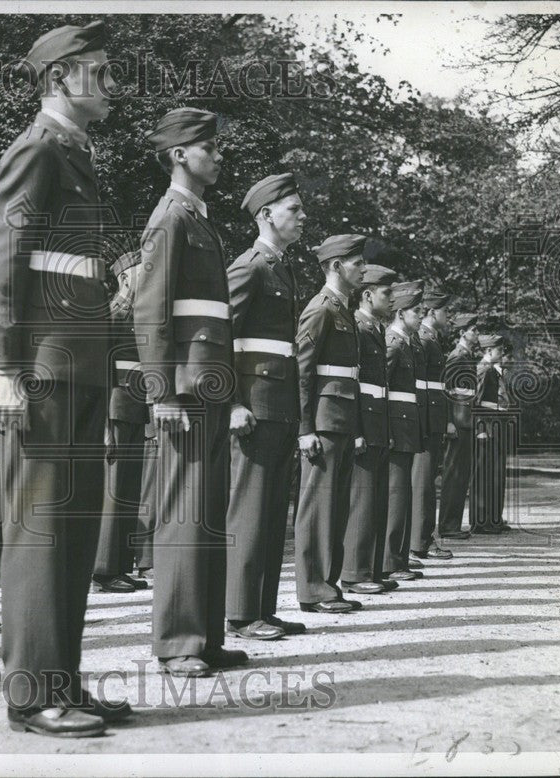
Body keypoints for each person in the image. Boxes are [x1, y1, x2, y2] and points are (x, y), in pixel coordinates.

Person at [0, 21, 128, 738]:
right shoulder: (37, 151)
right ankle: (33, 694)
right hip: (40, 369)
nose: (110, 83)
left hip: (79, 363)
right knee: (39, 530)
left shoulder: (74, 152)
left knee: (71, 529)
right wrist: (2, 369)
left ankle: (63, 680)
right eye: (97, 71)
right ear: (60, 77)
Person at [136, 107, 247, 678]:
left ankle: (204, 635)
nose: (219, 155)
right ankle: (178, 642)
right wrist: (161, 392)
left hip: (207, 385)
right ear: (180, 155)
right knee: (183, 514)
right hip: (182, 391)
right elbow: (149, 308)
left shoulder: (199, 220)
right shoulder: (170, 219)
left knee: (206, 514)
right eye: (210, 147)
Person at [224, 172, 307, 641]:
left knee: (274, 513)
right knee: (250, 510)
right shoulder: (249, 266)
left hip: (278, 406)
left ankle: (261, 607)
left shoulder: (282, 266)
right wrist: (231, 402)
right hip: (254, 406)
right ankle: (239, 612)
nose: (302, 217)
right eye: (293, 209)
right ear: (265, 215)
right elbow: (221, 338)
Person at [293, 234, 367, 614]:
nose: (363, 269)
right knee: (318, 508)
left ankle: (327, 585)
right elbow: (303, 371)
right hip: (322, 423)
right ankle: (313, 588)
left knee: (335, 507)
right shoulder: (321, 309)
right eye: (357, 263)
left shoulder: (343, 310)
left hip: (340, 420)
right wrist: (305, 428)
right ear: (336, 266)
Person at [340, 261, 400, 596]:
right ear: (366, 295)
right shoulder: (358, 329)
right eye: (386, 293)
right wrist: (358, 430)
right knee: (361, 501)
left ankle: (371, 570)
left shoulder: (374, 329)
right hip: (364, 425)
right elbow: (355, 385)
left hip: (379, 425)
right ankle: (353, 573)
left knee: (375, 500)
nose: (392, 299)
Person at [94, 251, 151, 594]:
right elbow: (98, 372)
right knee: (113, 492)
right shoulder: (112, 313)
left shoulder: (140, 316)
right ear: (126, 277)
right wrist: (101, 424)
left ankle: (118, 565)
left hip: (133, 409)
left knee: (128, 491)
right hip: (114, 411)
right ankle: (102, 569)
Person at [382, 280, 425, 582]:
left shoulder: (405, 345)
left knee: (403, 494)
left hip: (406, 426)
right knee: (395, 494)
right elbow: (379, 391)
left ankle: (397, 558)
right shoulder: (393, 345)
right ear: (400, 314)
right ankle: (389, 559)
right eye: (416, 312)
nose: (421, 317)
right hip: (395, 427)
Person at [409, 290, 456, 561]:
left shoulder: (430, 340)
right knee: (423, 484)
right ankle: (419, 541)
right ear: (431, 312)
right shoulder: (424, 341)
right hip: (425, 421)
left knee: (426, 484)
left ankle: (422, 539)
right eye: (444, 312)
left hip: (433, 420)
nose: (447, 316)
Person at [437, 313, 480, 540]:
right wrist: (449, 422)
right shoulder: (457, 357)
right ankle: (447, 526)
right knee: (453, 475)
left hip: (466, 422)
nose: (477, 334)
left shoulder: (467, 356)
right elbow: (446, 392)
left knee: (461, 476)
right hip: (458, 423)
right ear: (463, 333)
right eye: (474, 330)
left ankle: (452, 524)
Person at [470, 334, 512, 534]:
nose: (501, 353)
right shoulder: (484, 370)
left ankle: (493, 518)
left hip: (495, 426)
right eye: (499, 350)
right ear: (488, 351)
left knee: (495, 474)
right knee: (484, 475)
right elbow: (475, 403)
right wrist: (480, 431)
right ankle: (481, 521)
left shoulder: (493, 371)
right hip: (486, 429)